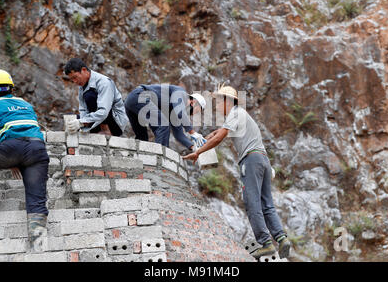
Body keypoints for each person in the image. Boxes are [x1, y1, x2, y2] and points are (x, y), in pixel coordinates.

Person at [183, 84, 291, 259]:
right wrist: (207, 136)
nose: (217, 106)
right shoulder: (240, 115)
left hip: (251, 161)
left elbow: (220, 136)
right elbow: (219, 132)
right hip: (263, 160)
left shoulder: (235, 112)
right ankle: (282, 238)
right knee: (267, 203)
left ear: (227, 101)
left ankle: (265, 243)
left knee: (252, 202)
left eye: (218, 102)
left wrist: (198, 152)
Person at [0, 69, 49, 252]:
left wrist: (9, 159)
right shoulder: (25, 103)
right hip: (37, 149)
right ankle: (38, 247)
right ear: (11, 88)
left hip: (10, 148)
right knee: (36, 200)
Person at [124, 84, 207, 150]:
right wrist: (193, 132)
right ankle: (159, 157)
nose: (192, 115)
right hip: (139, 96)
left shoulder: (174, 112)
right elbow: (180, 111)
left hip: (131, 102)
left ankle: (140, 161)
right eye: (197, 111)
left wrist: (193, 147)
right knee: (163, 124)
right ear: (194, 102)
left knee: (142, 138)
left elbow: (179, 135)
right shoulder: (181, 93)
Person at [64, 58, 129, 136]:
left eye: (75, 77)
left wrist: (81, 122)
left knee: (90, 96)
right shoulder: (82, 87)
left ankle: (105, 129)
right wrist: (81, 123)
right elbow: (83, 110)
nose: (75, 81)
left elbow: (104, 111)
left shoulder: (104, 83)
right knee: (70, 118)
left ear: (84, 70)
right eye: (72, 79)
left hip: (114, 123)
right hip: (96, 120)